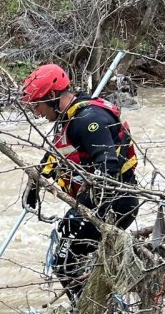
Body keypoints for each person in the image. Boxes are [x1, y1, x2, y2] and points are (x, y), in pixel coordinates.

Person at [21, 63, 140, 297]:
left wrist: (84, 209)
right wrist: (35, 182)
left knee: (64, 264)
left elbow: (107, 167)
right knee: (80, 260)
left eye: (38, 105)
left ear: (53, 97)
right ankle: (101, 308)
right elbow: (57, 154)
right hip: (104, 202)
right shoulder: (72, 116)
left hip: (115, 202)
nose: (37, 113)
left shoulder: (88, 119)